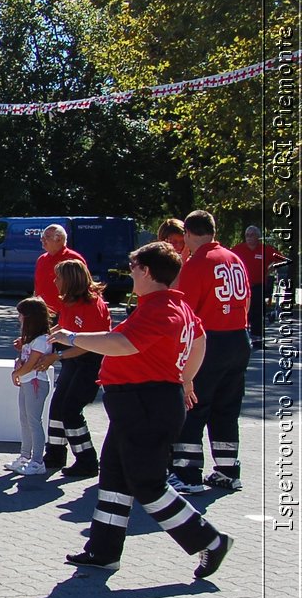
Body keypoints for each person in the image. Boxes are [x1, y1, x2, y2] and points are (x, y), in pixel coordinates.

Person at [53, 241, 231, 579]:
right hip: (140, 405)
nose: (130, 273)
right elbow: (200, 341)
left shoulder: (160, 308)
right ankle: (102, 551)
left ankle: (210, 540)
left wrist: (73, 337)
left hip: (146, 405)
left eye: (134, 268)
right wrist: (187, 380)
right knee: (115, 479)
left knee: (148, 484)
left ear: (147, 271)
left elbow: (121, 344)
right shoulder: (175, 307)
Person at [170, 210, 251, 492]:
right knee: (227, 408)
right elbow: (247, 301)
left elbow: (187, 311)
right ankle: (228, 470)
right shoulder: (234, 259)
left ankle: (187, 473)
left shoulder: (198, 263)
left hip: (209, 341)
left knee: (193, 405)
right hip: (239, 337)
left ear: (189, 234)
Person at [45, 259, 110, 476]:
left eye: (58, 277)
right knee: (57, 407)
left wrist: (57, 355)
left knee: (70, 411)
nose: (55, 281)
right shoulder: (69, 302)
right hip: (72, 362)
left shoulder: (92, 306)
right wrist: (37, 339)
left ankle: (87, 460)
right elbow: (63, 326)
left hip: (88, 364)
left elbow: (86, 346)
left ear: (71, 280)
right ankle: (54, 454)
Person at [5, 298, 58, 476]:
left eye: (21, 315)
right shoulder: (31, 338)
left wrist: (16, 374)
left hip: (36, 383)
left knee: (34, 422)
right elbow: (26, 360)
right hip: (27, 382)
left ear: (30, 317)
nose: (19, 318)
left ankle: (37, 461)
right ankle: (25, 456)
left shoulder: (42, 339)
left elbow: (32, 364)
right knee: (25, 419)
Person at [232, 226, 286, 345]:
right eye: (247, 235)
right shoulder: (238, 249)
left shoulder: (265, 249)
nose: (249, 238)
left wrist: (271, 268)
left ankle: (257, 340)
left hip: (258, 285)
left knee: (257, 313)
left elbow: (283, 260)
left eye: (252, 235)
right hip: (241, 287)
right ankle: (242, 340)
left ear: (258, 237)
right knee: (243, 313)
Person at [33, 224, 86, 314]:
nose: (42, 240)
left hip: (64, 312)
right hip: (42, 311)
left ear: (59, 239)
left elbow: (83, 287)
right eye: (42, 237)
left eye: (47, 237)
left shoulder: (73, 258)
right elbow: (37, 284)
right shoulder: (41, 259)